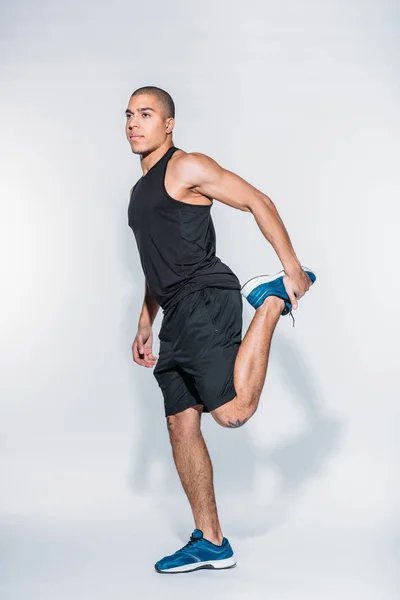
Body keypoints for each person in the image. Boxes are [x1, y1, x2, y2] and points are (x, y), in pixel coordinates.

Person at [126, 86, 316, 574]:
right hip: (174, 312)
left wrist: (290, 267)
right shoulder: (138, 192)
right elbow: (155, 260)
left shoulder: (185, 166)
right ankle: (211, 541)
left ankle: (270, 300)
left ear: (168, 124)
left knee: (232, 412)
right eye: (128, 115)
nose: (133, 122)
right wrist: (147, 319)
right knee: (180, 424)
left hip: (204, 297)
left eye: (145, 114)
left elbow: (257, 199)